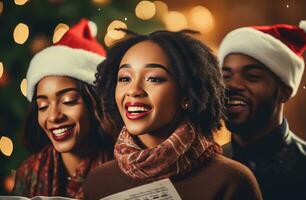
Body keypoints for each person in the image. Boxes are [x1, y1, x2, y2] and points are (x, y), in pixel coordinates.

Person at [84, 30, 263, 200]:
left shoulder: (231, 180)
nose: (133, 90)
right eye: (125, 78)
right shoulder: (99, 181)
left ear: (187, 95)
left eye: (153, 78)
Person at [12, 19, 114, 199]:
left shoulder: (123, 170)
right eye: (43, 106)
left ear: (95, 103)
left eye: (68, 100)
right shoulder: (27, 172)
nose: (53, 116)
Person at [218, 21, 306, 200]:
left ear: (284, 92)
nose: (232, 85)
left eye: (252, 77)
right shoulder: (205, 168)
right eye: (225, 76)